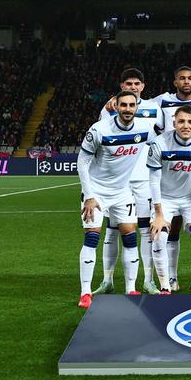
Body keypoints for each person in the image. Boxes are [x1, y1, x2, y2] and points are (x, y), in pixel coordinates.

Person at [76, 91, 150, 309]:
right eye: (123, 105)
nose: (128, 109)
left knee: (130, 237)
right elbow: (82, 163)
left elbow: (163, 141)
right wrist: (88, 195)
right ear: (116, 106)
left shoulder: (144, 129)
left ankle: (130, 288)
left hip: (122, 192)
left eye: (131, 105)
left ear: (137, 107)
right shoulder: (99, 129)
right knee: (92, 237)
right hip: (96, 193)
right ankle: (86, 292)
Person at [94, 68, 164, 296]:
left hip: (144, 179)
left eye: (137, 84)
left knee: (145, 230)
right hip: (117, 182)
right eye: (128, 84)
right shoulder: (109, 109)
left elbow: (163, 138)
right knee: (113, 230)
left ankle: (148, 280)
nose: (133, 87)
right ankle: (107, 280)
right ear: (122, 86)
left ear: (143, 86)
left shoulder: (154, 108)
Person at [152, 66, 191, 292]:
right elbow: (153, 180)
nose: (185, 126)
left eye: (190, 122)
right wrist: (159, 214)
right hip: (166, 198)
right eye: (181, 122)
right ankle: (165, 285)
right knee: (159, 236)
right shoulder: (160, 143)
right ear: (173, 123)